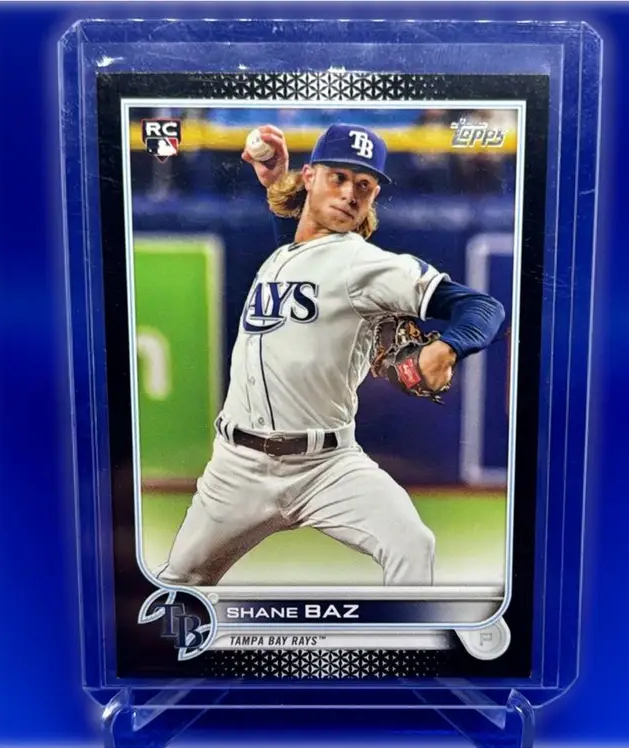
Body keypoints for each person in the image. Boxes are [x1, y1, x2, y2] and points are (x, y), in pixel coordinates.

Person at [154, 123, 505, 588]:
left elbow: (483, 307)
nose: (349, 193)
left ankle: (406, 636)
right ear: (310, 177)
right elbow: (304, 251)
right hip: (237, 469)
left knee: (412, 543)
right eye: (338, 177)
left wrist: (447, 347)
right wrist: (275, 181)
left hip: (328, 467)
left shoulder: (364, 264)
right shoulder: (286, 254)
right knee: (178, 587)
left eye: (364, 185)